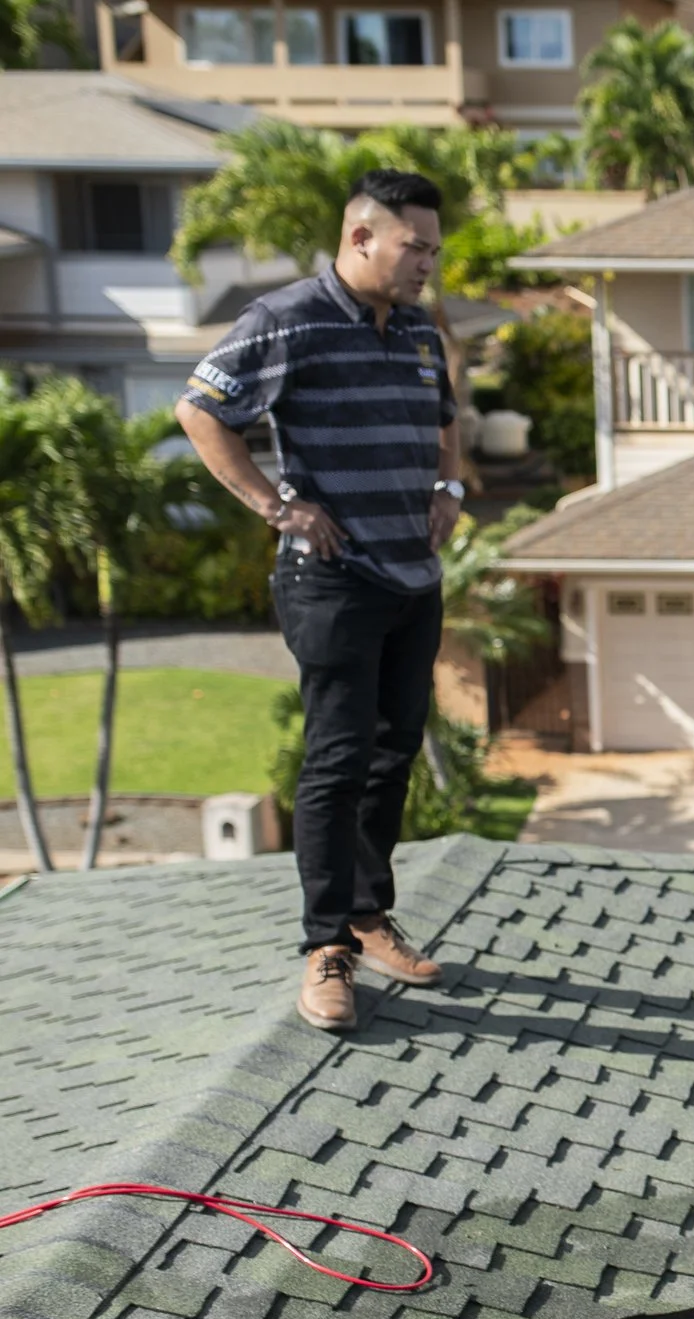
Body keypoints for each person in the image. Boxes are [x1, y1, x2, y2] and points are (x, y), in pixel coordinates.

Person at [177, 169, 463, 1033]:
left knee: (392, 753)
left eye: (433, 251)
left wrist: (448, 483)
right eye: (415, 248)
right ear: (360, 237)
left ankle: (371, 914)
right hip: (332, 578)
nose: (427, 265)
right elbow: (202, 410)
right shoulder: (286, 320)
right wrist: (276, 504)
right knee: (338, 762)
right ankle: (325, 945)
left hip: (414, 578)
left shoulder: (415, 328)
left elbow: (447, 411)